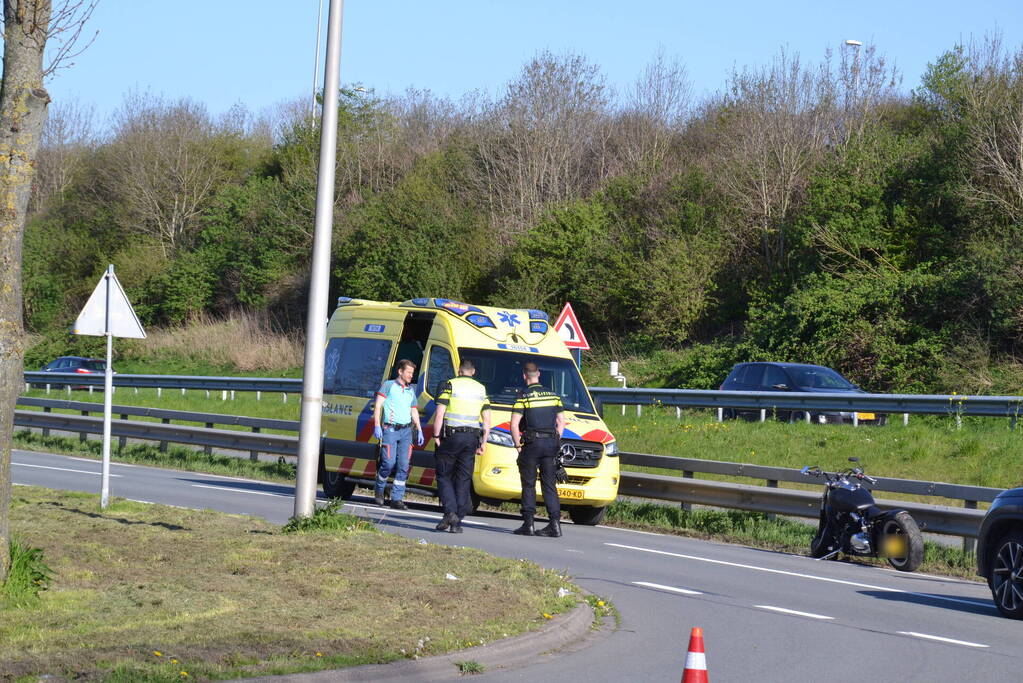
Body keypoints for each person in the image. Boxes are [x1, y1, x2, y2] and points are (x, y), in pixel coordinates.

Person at [431, 359, 491, 533]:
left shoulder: (450, 385)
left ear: (459, 370)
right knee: (463, 479)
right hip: (472, 438)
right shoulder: (481, 389)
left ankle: (450, 512)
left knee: (444, 475)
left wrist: (436, 435)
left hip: (451, 437)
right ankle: (456, 521)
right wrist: (483, 442)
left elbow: (440, 413)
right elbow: (487, 419)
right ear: (473, 371)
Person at [510, 361, 566, 537]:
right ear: (539, 374)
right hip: (551, 445)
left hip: (532, 445)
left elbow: (514, 424)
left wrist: (518, 445)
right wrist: (555, 439)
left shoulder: (523, 396)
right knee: (550, 485)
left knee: (528, 484)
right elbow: (561, 422)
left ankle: (529, 524)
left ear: (524, 375)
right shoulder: (553, 395)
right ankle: (555, 525)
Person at [372, 359, 424, 509]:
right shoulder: (388, 385)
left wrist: (419, 429)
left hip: (407, 431)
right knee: (388, 463)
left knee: (403, 465)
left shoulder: (410, 390)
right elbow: (378, 405)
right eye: (408, 372)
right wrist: (377, 425)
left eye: (412, 373)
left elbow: (413, 410)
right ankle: (380, 489)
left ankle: (397, 499)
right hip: (391, 430)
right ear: (400, 371)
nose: (410, 375)